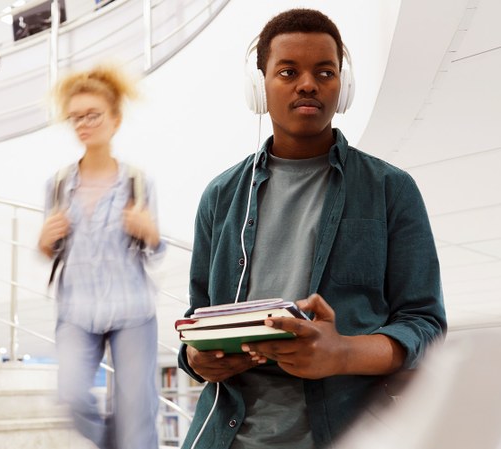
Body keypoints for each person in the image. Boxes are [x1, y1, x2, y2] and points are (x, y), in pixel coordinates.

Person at [178, 9, 447, 449]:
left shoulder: (390, 189)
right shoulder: (221, 195)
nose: (308, 84)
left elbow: (425, 325)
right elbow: (197, 318)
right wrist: (196, 357)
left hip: (350, 431)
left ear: (343, 87)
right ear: (259, 86)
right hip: (226, 435)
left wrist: (342, 353)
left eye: (325, 72)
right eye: (288, 71)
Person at [38, 64, 165, 449]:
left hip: (132, 308)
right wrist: (44, 241)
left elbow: (154, 250)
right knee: (72, 395)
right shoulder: (59, 184)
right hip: (77, 309)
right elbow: (52, 250)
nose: (83, 124)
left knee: (136, 416)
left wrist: (150, 233)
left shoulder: (138, 182)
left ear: (115, 119)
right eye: (76, 117)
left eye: (92, 115)